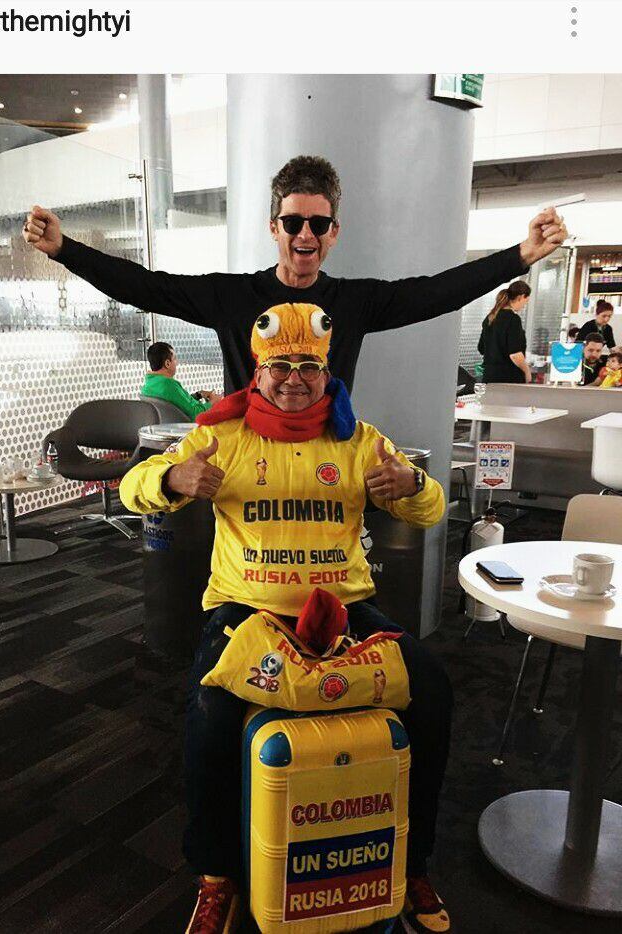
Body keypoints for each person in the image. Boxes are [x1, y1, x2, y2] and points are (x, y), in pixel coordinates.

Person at [120, 304, 453, 934]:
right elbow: (132, 485)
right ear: (258, 370)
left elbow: (430, 512)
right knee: (210, 713)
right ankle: (216, 876)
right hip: (246, 607)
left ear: (327, 374)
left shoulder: (358, 439)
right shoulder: (223, 433)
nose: (294, 378)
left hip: (345, 605)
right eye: (280, 366)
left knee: (432, 691)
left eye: (308, 366)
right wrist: (172, 476)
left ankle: (412, 866)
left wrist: (413, 484)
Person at [22, 155, 568, 394]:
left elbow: (436, 294)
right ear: (273, 226)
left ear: (334, 231)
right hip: (250, 466)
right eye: (293, 221)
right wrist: (66, 249)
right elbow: (144, 286)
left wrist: (519, 254)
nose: (305, 234)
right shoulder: (231, 297)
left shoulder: (355, 302)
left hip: (326, 464)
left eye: (318, 223)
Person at [141, 341, 222, 419]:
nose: (177, 363)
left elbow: (177, 405)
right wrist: (213, 402)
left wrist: (198, 395)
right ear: (167, 363)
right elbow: (196, 415)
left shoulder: (149, 384)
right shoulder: (168, 384)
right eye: (175, 359)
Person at [477, 280, 532, 383]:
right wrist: (527, 371)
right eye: (526, 301)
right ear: (521, 297)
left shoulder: (489, 318)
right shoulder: (513, 319)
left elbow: (481, 348)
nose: (524, 306)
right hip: (509, 379)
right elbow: (515, 355)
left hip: (489, 378)